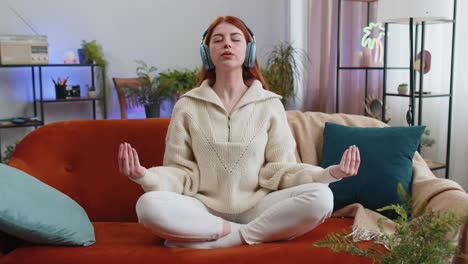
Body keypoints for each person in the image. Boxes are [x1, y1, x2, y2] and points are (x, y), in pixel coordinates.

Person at [118, 16, 360, 249]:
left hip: (260, 206)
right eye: (218, 39)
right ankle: (243, 232)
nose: (227, 44)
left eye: (235, 39)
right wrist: (144, 176)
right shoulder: (187, 106)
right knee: (148, 205)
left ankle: (227, 239)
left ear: (249, 50)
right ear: (207, 52)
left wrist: (331, 174)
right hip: (202, 207)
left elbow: (281, 169)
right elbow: (181, 172)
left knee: (321, 197)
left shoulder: (270, 104)